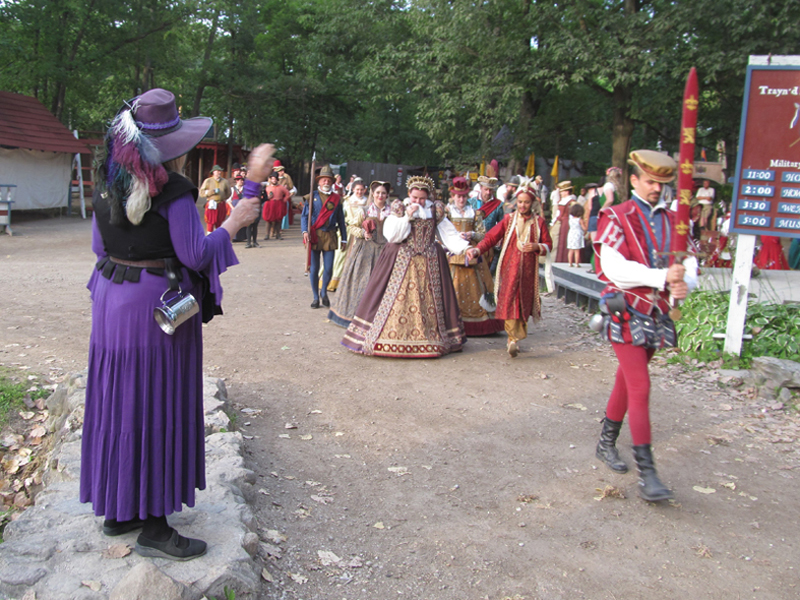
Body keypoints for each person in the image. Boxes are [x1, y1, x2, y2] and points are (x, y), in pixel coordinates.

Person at [81, 87, 270, 560]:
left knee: (119, 402)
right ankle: (155, 527)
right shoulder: (177, 193)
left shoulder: (106, 184)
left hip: (110, 302)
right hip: (153, 311)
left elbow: (99, 250)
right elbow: (195, 254)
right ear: (172, 146)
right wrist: (234, 222)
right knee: (153, 403)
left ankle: (120, 509)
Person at [592, 149, 698, 502]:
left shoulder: (674, 222)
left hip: (658, 314)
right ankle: (648, 474)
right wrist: (662, 277)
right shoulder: (616, 215)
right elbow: (614, 267)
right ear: (634, 180)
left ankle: (606, 442)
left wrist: (686, 281)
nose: (656, 188)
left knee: (627, 379)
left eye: (662, 183)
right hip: (625, 310)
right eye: (650, 181)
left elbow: (689, 263)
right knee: (640, 385)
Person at [342, 175, 469, 357]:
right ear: (409, 194)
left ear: (428, 197)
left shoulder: (435, 211)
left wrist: (466, 248)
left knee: (431, 302)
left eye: (422, 198)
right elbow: (393, 236)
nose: (418, 201)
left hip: (430, 261)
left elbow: (448, 234)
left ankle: (433, 339)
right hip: (403, 259)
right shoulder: (400, 209)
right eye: (415, 197)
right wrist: (407, 217)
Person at [467, 182, 552, 357]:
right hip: (509, 269)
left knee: (524, 303)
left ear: (532, 203)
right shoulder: (509, 220)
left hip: (529, 272)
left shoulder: (539, 223)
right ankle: (512, 338)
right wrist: (477, 250)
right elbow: (491, 237)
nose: (522, 205)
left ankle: (514, 337)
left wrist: (537, 246)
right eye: (520, 202)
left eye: (526, 202)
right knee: (510, 300)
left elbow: (548, 244)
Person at [328, 181, 392, 327]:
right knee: (363, 282)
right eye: (377, 193)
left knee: (383, 284)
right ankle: (357, 317)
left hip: (386, 252)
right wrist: (363, 233)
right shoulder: (365, 210)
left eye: (383, 193)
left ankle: (379, 319)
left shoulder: (392, 212)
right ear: (372, 194)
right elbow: (352, 227)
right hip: (365, 251)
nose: (380, 196)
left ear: (387, 195)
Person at [445, 177, 504, 336]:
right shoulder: (447, 212)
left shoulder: (475, 213)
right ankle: (452, 323)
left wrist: (471, 234)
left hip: (471, 252)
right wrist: (454, 237)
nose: (461, 199)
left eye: (464, 196)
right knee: (453, 285)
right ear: (453, 196)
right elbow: (440, 234)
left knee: (479, 286)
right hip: (452, 254)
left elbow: (483, 235)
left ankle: (480, 323)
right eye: (458, 196)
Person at [301, 165, 347, 308]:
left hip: (331, 235)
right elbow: (304, 217)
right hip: (315, 235)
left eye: (328, 180)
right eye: (323, 180)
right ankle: (315, 297)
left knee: (328, 268)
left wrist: (344, 238)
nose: (326, 182)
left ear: (332, 182)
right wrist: (305, 231)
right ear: (319, 182)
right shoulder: (311, 197)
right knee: (314, 269)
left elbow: (341, 220)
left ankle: (324, 293)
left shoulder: (336, 199)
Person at [326, 178, 367, 292]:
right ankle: (334, 282)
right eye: (357, 189)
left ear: (365, 190)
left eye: (361, 190)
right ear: (353, 189)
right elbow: (340, 215)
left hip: (361, 234)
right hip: (347, 231)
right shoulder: (347, 201)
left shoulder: (368, 202)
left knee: (358, 257)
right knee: (340, 255)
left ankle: (352, 284)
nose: (359, 192)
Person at [199, 165, 232, 234]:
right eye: (217, 171)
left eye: (220, 171)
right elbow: (201, 193)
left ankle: (218, 238)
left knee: (219, 222)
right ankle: (209, 237)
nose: (219, 172)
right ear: (213, 172)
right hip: (211, 204)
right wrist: (211, 192)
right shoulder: (208, 181)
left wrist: (222, 197)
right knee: (210, 222)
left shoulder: (225, 182)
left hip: (221, 204)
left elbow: (229, 193)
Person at [550, 181, 576, 263]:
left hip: (567, 223)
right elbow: (557, 214)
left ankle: (565, 259)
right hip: (560, 222)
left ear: (566, 192)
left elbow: (573, 214)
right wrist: (552, 223)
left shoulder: (571, 202)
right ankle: (557, 259)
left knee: (564, 241)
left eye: (562, 191)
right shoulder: (561, 201)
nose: (560, 193)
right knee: (557, 241)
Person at [261, 171, 289, 240]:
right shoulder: (267, 188)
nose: (274, 180)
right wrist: (267, 198)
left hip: (278, 204)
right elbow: (263, 196)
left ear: (277, 179)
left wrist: (284, 200)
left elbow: (287, 194)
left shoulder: (281, 187)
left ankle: (278, 234)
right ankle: (267, 234)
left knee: (278, 219)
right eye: (272, 179)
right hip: (269, 204)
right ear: (270, 179)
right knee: (268, 220)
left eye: (275, 179)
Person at [567, 202, 586, 267]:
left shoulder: (570, 219)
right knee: (577, 250)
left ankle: (570, 263)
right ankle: (577, 264)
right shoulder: (580, 220)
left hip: (571, 233)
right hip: (577, 234)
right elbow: (584, 228)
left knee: (571, 250)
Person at [230, 175, 247, 243]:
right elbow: (228, 200)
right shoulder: (232, 189)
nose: (241, 181)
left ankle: (241, 237)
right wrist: (232, 208)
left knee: (242, 222)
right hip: (234, 207)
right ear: (236, 181)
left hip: (242, 207)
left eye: (242, 180)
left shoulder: (245, 189)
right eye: (240, 180)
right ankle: (234, 237)